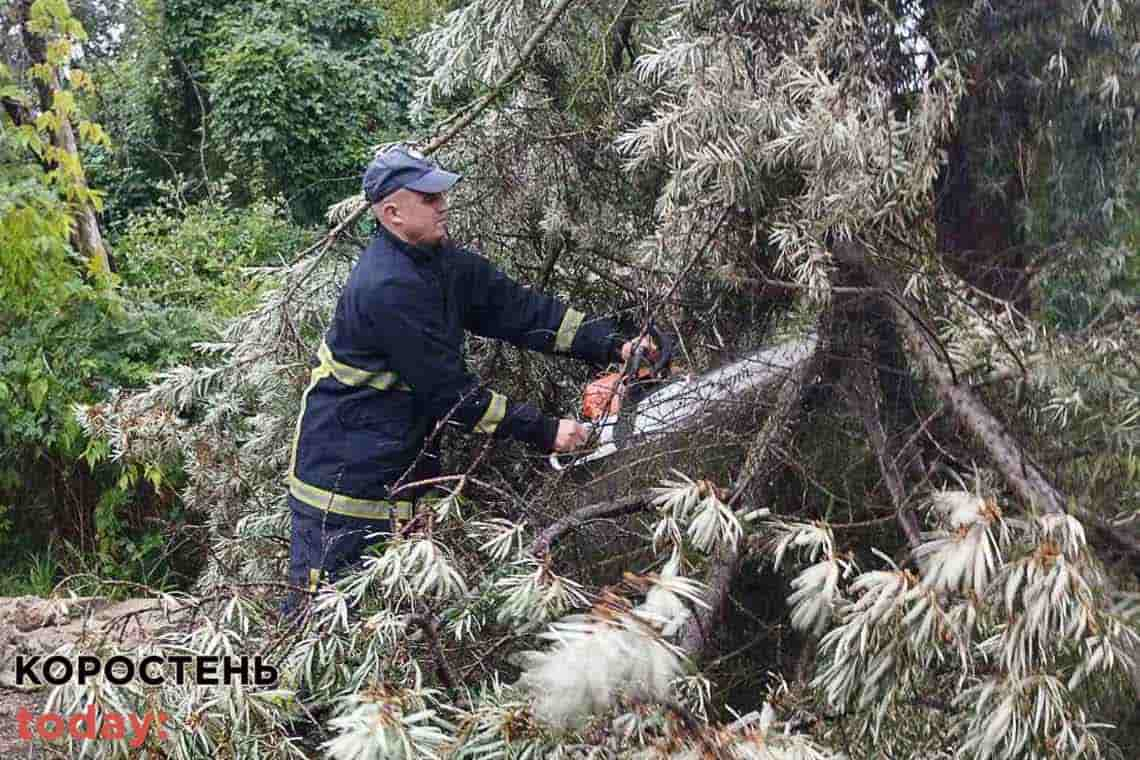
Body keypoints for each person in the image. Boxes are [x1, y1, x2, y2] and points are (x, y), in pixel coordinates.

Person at [283, 145, 654, 615]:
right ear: (393, 213)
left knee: (395, 626)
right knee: (323, 625)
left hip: (397, 479)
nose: (443, 205)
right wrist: (546, 431)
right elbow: (453, 398)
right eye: (429, 198)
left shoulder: (439, 263)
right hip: (343, 495)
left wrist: (611, 344)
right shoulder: (388, 287)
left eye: (441, 195)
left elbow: (520, 311)